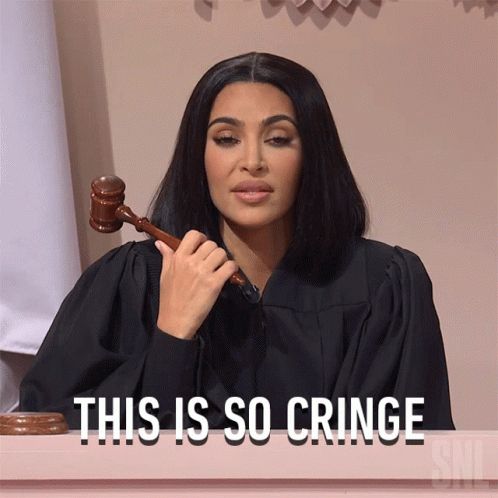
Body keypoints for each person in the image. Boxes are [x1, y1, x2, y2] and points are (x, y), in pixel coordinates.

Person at [19, 52, 455, 430]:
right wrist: (172, 332)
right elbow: (55, 443)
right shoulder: (133, 281)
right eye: (226, 139)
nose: (252, 162)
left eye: (278, 139)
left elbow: (412, 452)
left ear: (312, 154)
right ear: (198, 154)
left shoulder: (383, 286)